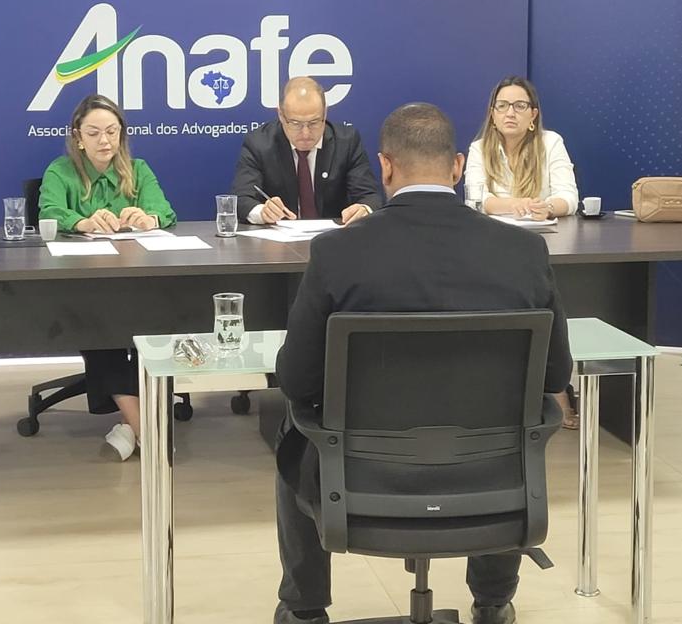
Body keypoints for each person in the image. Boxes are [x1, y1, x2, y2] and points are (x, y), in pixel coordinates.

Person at [272, 103, 573, 624]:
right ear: (456, 167)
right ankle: (493, 602)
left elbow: (297, 381)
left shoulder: (336, 254)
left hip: (361, 486)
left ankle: (304, 609)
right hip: (492, 485)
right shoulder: (523, 253)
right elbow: (554, 376)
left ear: (385, 167)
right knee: (515, 423)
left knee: (292, 429)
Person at [38, 93, 176, 460]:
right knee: (99, 325)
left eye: (112, 132)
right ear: (78, 136)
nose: (104, 141)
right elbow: (49, 213)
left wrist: (149, 219)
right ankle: (148, 430)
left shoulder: (138, 170)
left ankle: (130, 427)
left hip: (137, 283)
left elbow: (165, 211)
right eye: (94, 132)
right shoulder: (60, 171)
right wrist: (82, 222)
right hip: (83, 285)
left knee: (153, 317)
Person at [464, 76, 580, 430]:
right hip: (493, 248)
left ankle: (556, 387)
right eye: (502, 106)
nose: (510, 113)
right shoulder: (479, 148)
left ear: (533, 114)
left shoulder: (550, 142)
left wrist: (547, 207)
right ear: (492, 114)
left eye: (519, 106)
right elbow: (474, 199)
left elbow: (569, 197)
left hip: (541, 245)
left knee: (549, 299)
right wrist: (516, 204)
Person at [231, 76, 383, 225]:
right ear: (281, 115)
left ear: (325, 113)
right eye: (295, 123)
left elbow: (370, 197)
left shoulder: (346, 142)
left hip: (333, 237)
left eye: (314, 122)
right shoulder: (260, 144)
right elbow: (241, 199)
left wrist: (364, 209)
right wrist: (262, 212)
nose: (305, 134)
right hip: (280, 239)